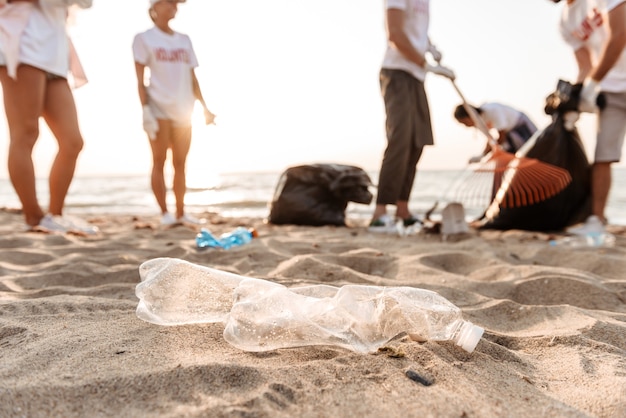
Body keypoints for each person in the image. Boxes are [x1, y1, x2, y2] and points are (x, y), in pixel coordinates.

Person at [0, 0, 98, 234]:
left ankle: (55, 215)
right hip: (23, 42)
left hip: (55, 51)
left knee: (72, 141)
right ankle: (33, 217)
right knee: (26, 133)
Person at [369, 0, 455, 232]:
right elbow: (395, 34)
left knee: (417, 142)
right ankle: (380, 213)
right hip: (397, 73)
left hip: (417, 77)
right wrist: (424, 63)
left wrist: (430, 46)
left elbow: (415, 30)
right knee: (400, 140)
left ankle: (403, 210)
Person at [133, 0, 215, 226]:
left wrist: (205, 108)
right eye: (168, 2)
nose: (173, 6)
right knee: (159, 160)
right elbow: (140, 80)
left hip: (184, 109)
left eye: (175, 3)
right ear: (155, 7)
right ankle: (165, 214)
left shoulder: (184, 40)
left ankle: (181, 213)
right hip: (158, 106)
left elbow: (192, 77)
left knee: (181, 162)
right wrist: (146, 109)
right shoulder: (144, 39)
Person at [551, 0, 626, 234]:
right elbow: (585, 65)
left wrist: (593, 82)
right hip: (609, 90)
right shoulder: (565, 22)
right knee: (603, 154)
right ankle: (596, 221)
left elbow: (620, 34)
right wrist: (578, 95)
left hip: (603, 81)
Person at [453, 102, 538, 163]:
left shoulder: (492, 111)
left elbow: (501, 137)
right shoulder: (478, 123)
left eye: (465, 122)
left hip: (520, 123)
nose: (466, 126)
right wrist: (482, 155)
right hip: (509, 134)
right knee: (512, 156)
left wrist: (488, 153)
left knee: (534, 149)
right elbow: (491, 140)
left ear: (469, 115)